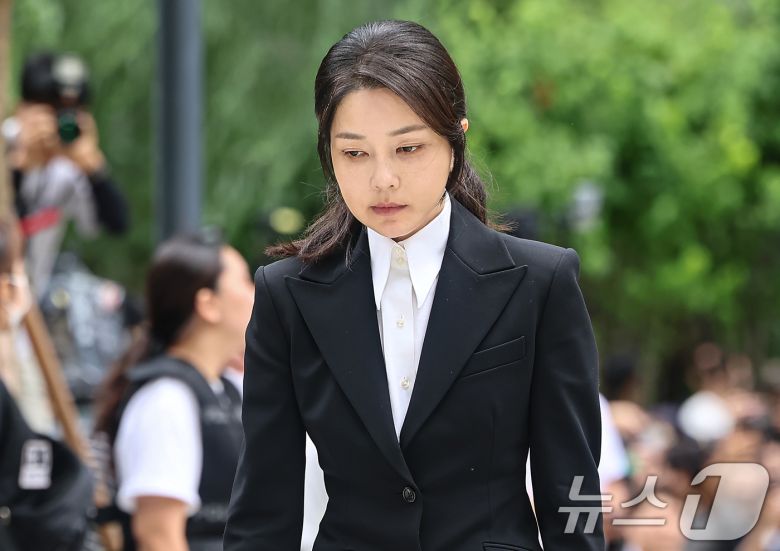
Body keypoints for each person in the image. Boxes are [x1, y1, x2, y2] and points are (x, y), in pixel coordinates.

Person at [224, 20, 604, 551]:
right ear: (328, 153)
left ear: (456, 140)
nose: (383, 179)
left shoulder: (540, 282)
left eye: (408, 149)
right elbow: (263, 507)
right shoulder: (286, 296)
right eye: (355, 153)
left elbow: (574, 494)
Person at [93, 232, 254, 551]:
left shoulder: (222, 390)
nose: (256, 293)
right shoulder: (166, 399)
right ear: (208, 305)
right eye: (246, 281)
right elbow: (158, 535)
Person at [4, 52, 129, 296]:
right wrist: (19, 167)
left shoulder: (65, 170)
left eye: (68, 113)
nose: (59, 123)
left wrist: (94, 167)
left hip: (27, 301)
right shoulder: (5, 144)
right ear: (22, 109)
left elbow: (117, 224)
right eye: (51, 112)